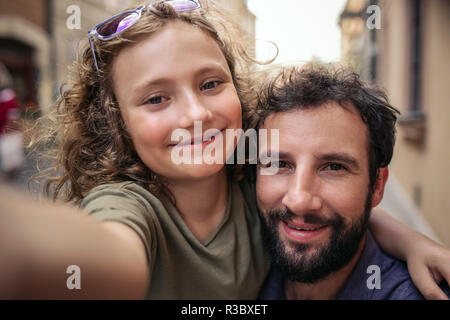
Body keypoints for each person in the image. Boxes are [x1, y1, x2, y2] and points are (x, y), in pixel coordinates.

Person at [0, 0, 449, 299]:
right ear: (118, 122)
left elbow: (333, 205)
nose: (195, 114)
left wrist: (413, 242)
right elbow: (100, 255)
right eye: (156, 98)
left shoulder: (251, 174)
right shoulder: (128, 206)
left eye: (211, 84)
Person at [256, 65, 450, 299]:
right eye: (279, 164)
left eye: (334, 167)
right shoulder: (243, 264)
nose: (298, 201)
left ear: (377, 187)